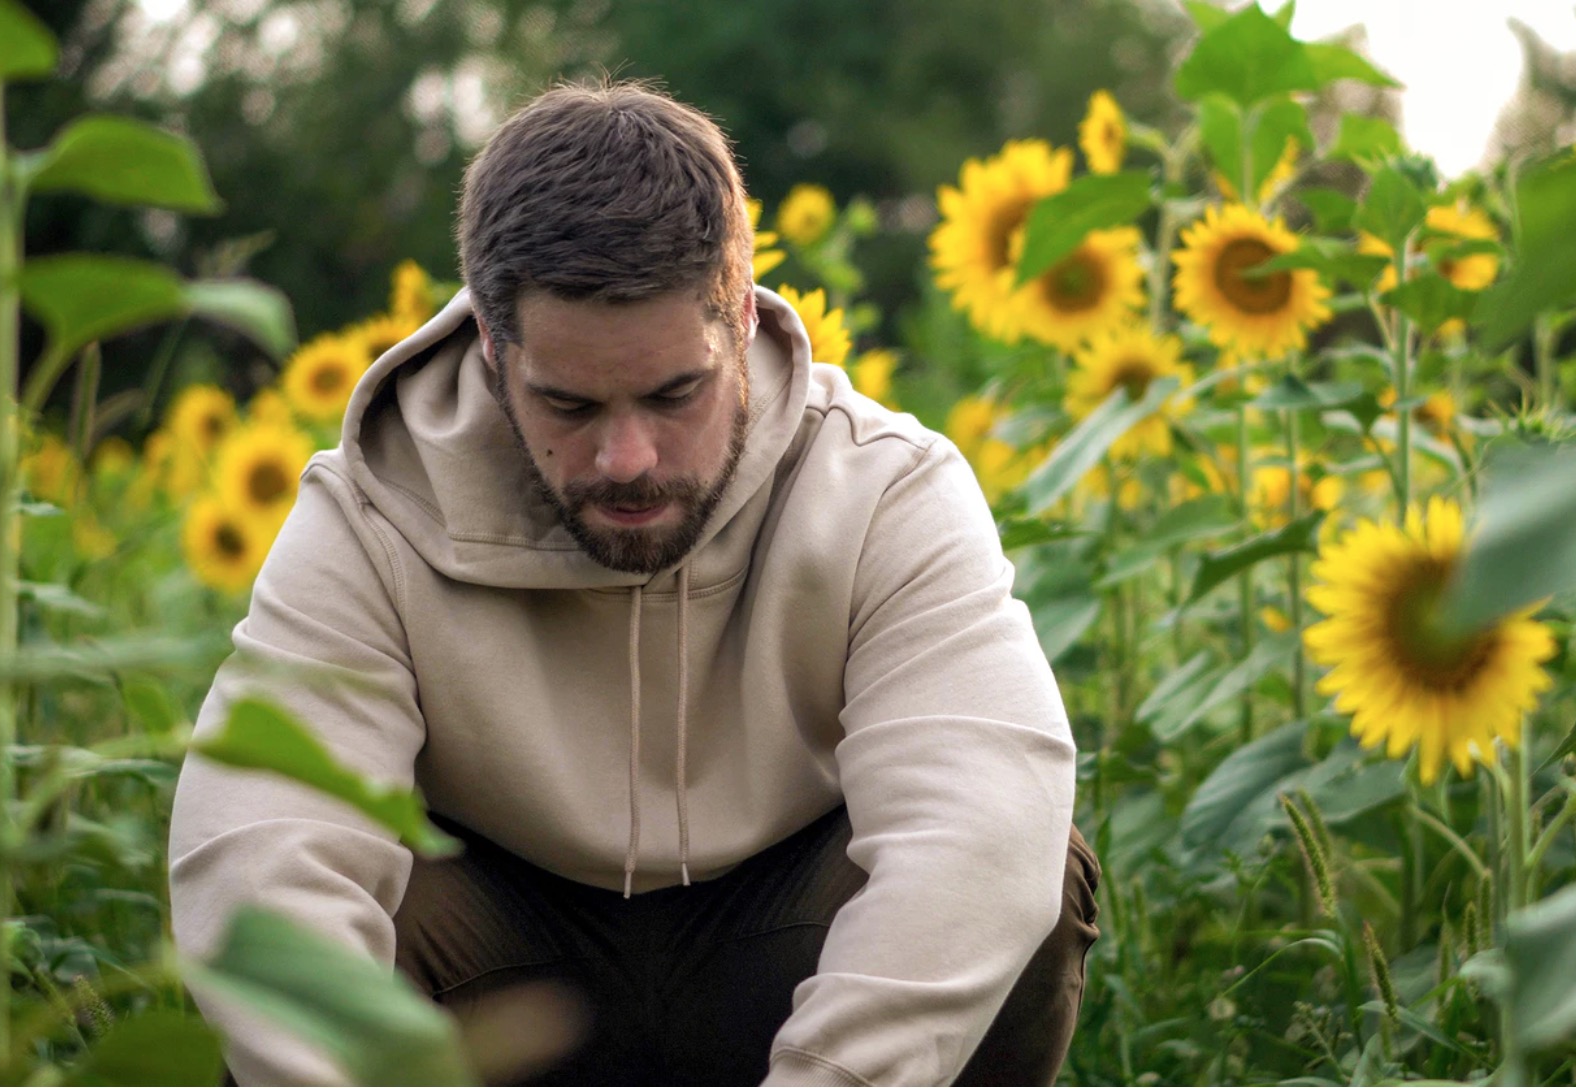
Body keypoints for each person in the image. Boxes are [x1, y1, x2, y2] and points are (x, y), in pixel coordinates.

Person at [169, 80, 1099, 1086]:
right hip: (497, 986)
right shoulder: (366, 515)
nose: (624, 456)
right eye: (567, 401)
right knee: (280, 948)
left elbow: (982, 824)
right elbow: (260, 845)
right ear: (490, 343)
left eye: (674, 393)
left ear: (740, 318)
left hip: (789, 953)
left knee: (1031, 872)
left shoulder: (883, 487)